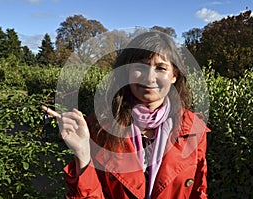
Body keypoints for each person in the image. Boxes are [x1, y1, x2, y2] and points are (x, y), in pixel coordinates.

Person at [42, 30, 210, 199]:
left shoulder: (194, 129)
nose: (149, 78)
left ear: (174, 75)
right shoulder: (100, 127)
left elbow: (199, 190)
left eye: (160, 68)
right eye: (140, 67)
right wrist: (83, 153)